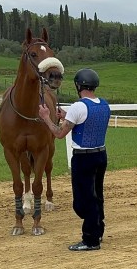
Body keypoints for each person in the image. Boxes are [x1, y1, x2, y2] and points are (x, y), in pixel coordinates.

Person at [38, 68, 111, 251]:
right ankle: (97, 231)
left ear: (78, 86)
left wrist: (46, 118)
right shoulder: (104, 105)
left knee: (84, 201)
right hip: (100, 155)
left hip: (83, 158)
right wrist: (66, 116)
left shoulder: (78, 107)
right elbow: (88, 122)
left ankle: (90, 240)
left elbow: (59, 133)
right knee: (97, 196)